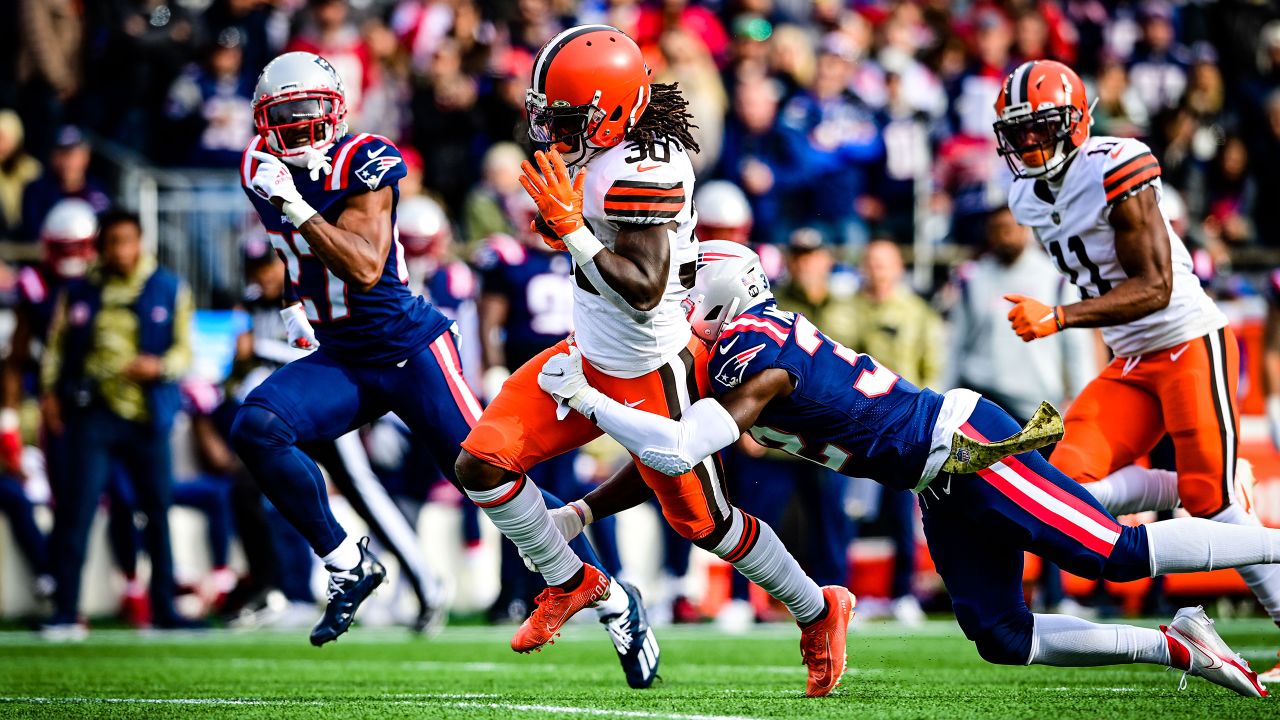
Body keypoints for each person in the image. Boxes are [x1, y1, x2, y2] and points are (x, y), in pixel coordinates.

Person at [540, 241, 1274, 698]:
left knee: (1113, 555)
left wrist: (587, 400)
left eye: (688, 287)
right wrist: (584, 513)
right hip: (936, 476)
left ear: (720, 292)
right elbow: (668, 462)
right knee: (1001, 636)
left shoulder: (752, 354)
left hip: (961, 447)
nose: (677, 301)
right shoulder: (738, 354)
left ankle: (1248, 528)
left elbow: (675, 447)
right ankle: (1175, 641)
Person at [230, 52, 656, 688]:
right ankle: (349, 561)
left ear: (337, 110)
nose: (298, 129)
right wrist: (294, 305)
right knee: (256, 427)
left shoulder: (363, 159)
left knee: (493, 482)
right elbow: (284, 249)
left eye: (308, 114)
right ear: (266, 120)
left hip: (409, 352)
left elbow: (365, 266)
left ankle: (614, 598)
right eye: (285, 117)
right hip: (344, 355)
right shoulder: (257, 168)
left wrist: (295, 204)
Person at [453, 25, 849, 698]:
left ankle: (817, 609)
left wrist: (573, 231)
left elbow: (639, 289)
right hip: (587, 350)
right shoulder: (606, 145)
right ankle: (573, 580)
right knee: (482, 464)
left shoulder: (644, 166)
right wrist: (569, 227)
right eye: (547, 114)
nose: (552, 131)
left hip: (650, 369)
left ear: (612, 111)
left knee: (706, 524)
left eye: (568, 118)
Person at [992, 60, 1280, 680]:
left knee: (1218, 504)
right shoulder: (1022, 193)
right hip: (1131, 358)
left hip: (1184, 340)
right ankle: (1193, 484)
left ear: (1076, 123)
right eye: (1019, 132)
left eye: (1042, 128)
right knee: (1057, 485)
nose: (1030, 144)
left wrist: (1060, 318)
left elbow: (1155, 286)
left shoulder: (1115, 164)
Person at [41, 209, 196, 636]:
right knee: (77, 511)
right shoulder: (81, 291)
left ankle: (163, 609)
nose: (120, 251)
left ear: (140, 242)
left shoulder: (168, 287)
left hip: (148, 414)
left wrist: (159, 366)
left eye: (126, 241)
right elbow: (56, 348)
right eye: (112, 243)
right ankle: (65, 611)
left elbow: (185, 351)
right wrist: (52, 394)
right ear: (101, 246)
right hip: (94, 413)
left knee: (158, 512)